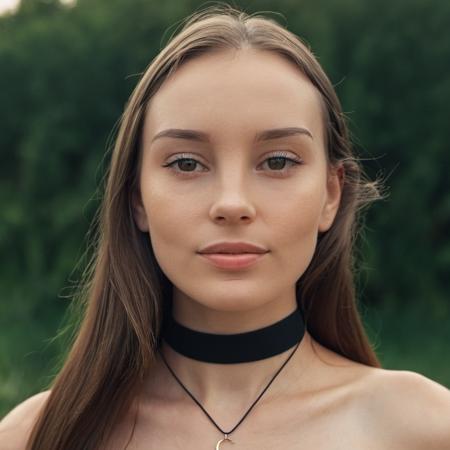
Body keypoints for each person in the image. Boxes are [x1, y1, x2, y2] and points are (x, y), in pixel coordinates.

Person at [1, 4, 450, 450]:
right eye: (186, 163)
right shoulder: (37, 436)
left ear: (331, 195)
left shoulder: (424, 429)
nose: (232, 204)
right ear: (137, 196)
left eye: (277, 161)